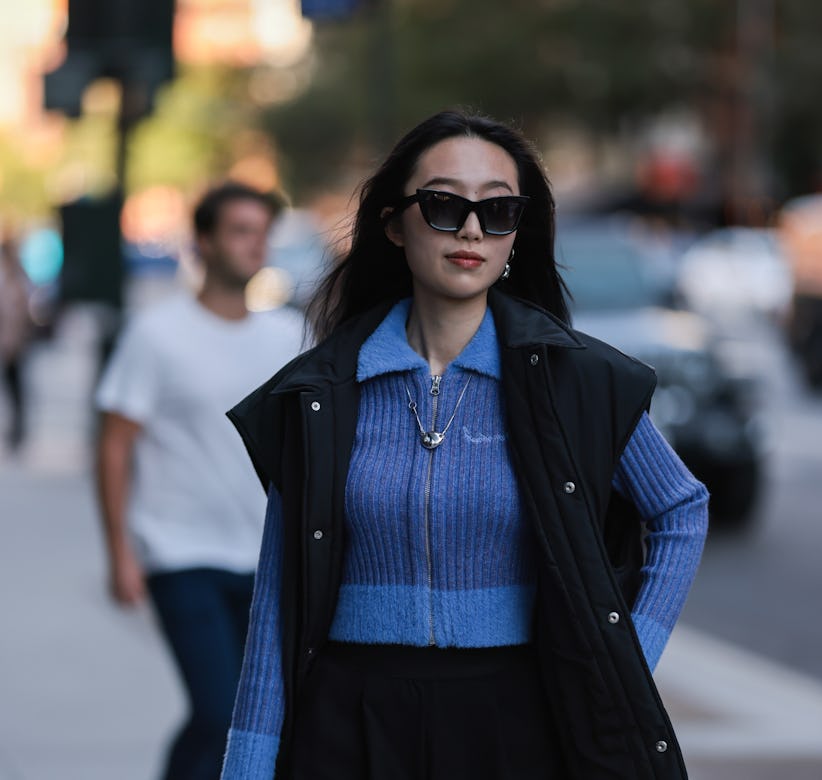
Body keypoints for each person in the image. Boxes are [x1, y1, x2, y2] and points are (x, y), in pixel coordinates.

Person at [220, 111, 709, 779]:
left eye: (498, 210)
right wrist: (245, 766)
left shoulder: (572, 382)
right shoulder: (321, 392)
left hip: (513, 720)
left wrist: (625, 657)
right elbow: (279, 603)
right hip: (348, 723)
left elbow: (681, 509)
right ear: (394, 223)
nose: (473, 228)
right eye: (445, 204)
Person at [94, 182, 304, 780]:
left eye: (261, 232)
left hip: (267, 556)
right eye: (240, 231)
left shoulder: (287, 336)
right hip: (179, 552)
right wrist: (119, 553)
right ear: (205, 242)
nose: (253, 245)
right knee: (219, 712)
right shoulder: (156, 334)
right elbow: (113, 444)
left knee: (262, 718)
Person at [0, 236, 33, 452]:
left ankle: (17, 432)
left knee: (16, 388)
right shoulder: (12, 276)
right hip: (11, 341)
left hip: (14, 343)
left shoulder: (17, 276)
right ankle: (17, 431)